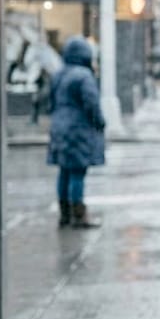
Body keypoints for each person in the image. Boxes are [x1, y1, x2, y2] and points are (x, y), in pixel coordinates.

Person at [46, 35, 105, 229]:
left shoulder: (59, 74)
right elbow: (92, 104)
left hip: (58, 126)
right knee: (78, 172)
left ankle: (64, 214)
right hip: (78, 128)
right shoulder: (84, 75)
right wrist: (100, 122)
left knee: (64, 171)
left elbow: (50, 101)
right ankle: (79, 215)